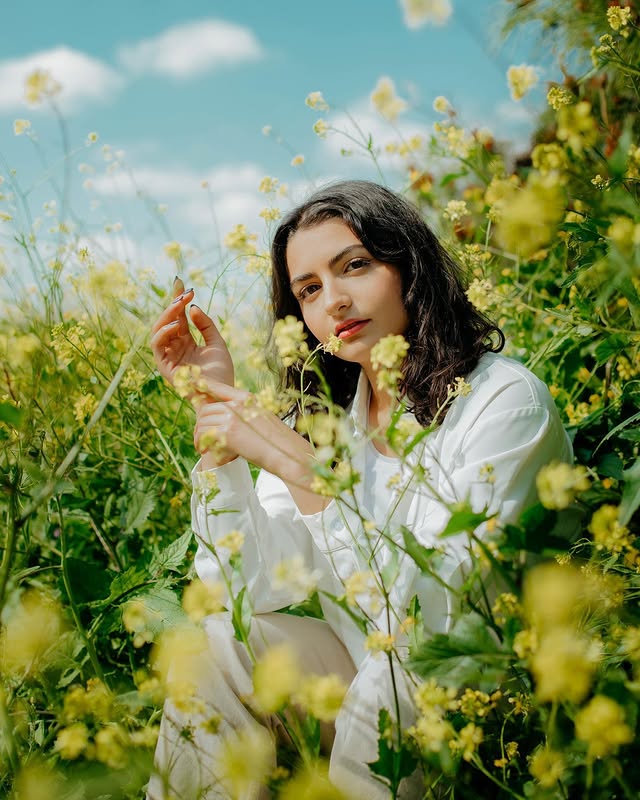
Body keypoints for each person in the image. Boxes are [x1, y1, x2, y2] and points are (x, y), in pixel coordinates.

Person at [147, 180, 572, 799]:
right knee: (215, 644)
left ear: (409, 267)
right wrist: (217, 430)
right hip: (366, 671)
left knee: (393, 672)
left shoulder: (502, 402)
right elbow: (242, 592)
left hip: (479, 696)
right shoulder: (329, 423)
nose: (335, 302)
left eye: (355, 266)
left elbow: (439, 619)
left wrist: (315, 479)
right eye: (309, 290)